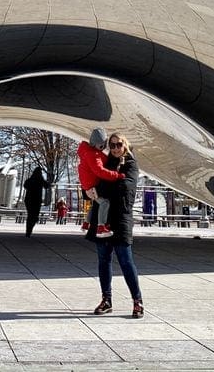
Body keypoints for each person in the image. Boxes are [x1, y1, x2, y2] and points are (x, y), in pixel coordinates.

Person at [86, 132, 144, 319]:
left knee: (126, 260)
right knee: (103, 260)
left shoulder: (131, 164)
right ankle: (106, 300)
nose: (115, 148)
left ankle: (137, 301)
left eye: (118, 144)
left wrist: (100, 188)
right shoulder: (103, 161)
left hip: (121, 219)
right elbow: (90, 180)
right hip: (102, 218)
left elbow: (125, 187)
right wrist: (92, 189)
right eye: (112, 145)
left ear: (124, 145)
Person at [77, 127, 124, 238]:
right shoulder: (93, 155)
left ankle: (85, 224)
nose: (103, 147)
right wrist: (117, 175)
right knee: (104, 203)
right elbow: (100, 171)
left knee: (96, 203)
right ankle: (101, 227)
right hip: (92, 185)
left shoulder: (88, 152)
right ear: (96, 144)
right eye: (102, 145)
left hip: (87, 184)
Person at [22, 166, 49, 237]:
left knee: (30, 215)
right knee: (34, 215)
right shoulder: (40, 179)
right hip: (36, 200)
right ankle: (30, 229)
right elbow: (47, 186)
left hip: (28, 199)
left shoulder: (30, 180)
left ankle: (28, 231)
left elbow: (25, 186)